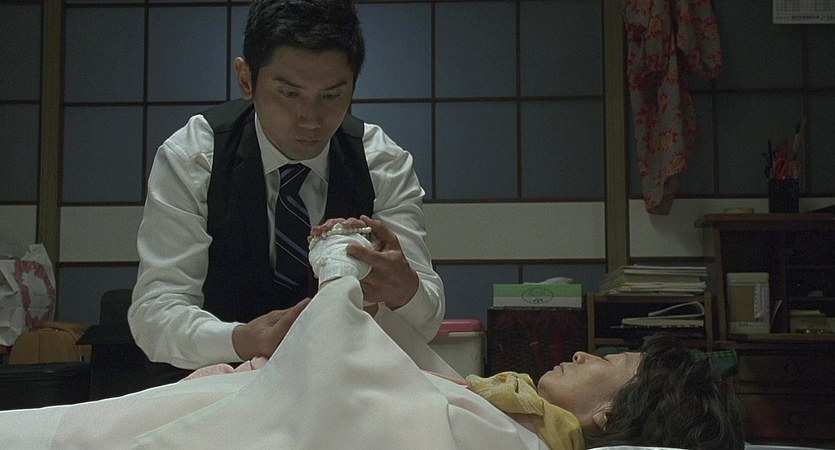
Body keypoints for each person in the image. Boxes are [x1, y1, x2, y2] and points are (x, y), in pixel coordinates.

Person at [129, 0, 445, 381]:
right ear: (246, 79)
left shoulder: (381, 163)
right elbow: (155, 313)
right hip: (219, 385)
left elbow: (427, 321)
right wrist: (242, 339)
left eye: (331, 95)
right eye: (289, 94)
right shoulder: (194, 158)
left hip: (342, 384)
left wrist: (404, 290)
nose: (311, 119)